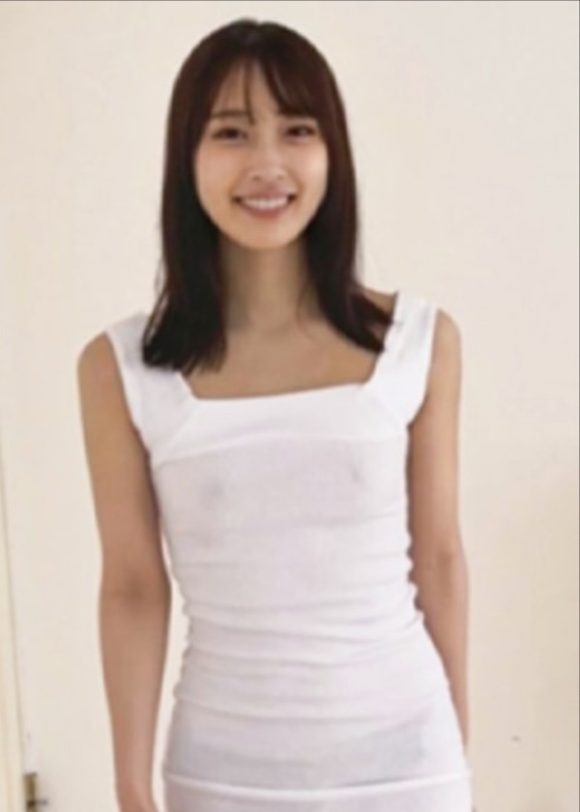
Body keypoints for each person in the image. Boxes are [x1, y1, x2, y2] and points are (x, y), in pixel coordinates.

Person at [77, 18, 474, 812]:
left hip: (406, 763)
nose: (267, 164)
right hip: (222, 773)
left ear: (332, 154)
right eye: (231, 132)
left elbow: (438, 557)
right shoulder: (120, 367)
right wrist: (130, 786)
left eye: (297, 130)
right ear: (187, 158)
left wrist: (457, 750)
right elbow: (132, 586)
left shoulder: (419, 341)